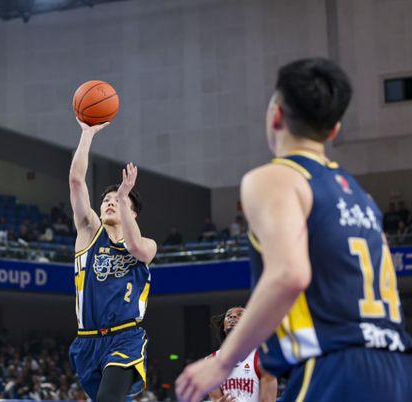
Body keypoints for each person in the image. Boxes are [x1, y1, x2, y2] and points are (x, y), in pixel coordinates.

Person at [176, 58, 412, 401]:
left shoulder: (276, 178)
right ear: (334, 130)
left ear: (276, 115)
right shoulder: (362, 198)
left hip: (337, 365)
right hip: (396, 367)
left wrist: (223, 362)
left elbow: (290, 274)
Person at [68, 120, 157, 402]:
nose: (109, 202)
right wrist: (87, 133)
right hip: (87, 341)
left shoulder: (147, 244)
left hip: (125, 337)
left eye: (117, 201)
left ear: (133, 213)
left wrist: (124, 193)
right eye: (106, 199)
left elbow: (135, 247)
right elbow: (76, 181)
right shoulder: (89, 233)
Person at [207, 307, 276, 402]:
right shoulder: (212, 360)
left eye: (240, 314)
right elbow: (215, 398)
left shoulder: (263, 359)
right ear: (223, 326)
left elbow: (268, 400)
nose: (232, 316)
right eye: (228, 315)